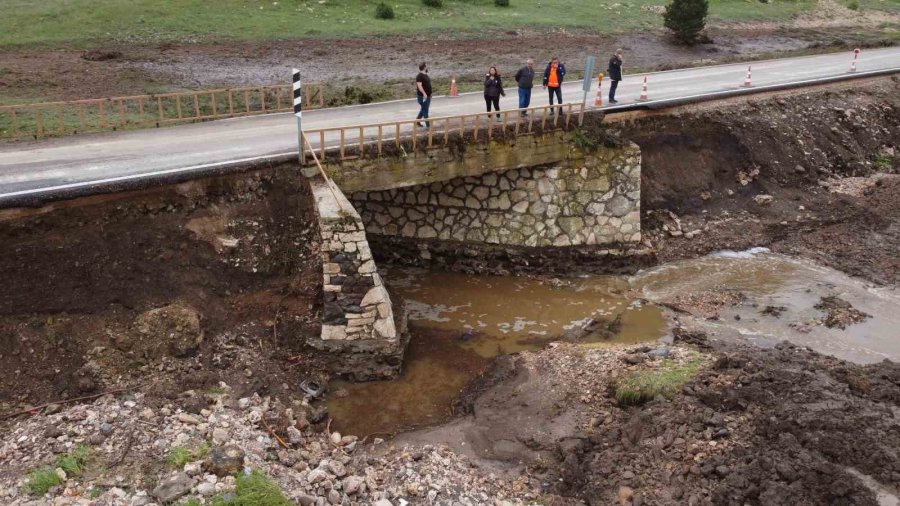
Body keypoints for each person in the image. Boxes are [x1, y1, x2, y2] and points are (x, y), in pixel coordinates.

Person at [415, 62, 432, 127]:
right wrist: (424, 94)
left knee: (423, 109)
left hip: (428, 96)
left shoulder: (425, 74)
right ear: (424, 67)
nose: (427, 67)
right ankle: (428, 126)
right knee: (425, 110)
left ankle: (417, 121)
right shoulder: (419, 76)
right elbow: (420, 86)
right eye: (426, 66)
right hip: (423, 96)